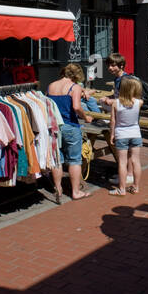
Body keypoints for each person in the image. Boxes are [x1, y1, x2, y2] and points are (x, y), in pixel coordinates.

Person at [46, 64, 92, 200]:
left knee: (57, 159)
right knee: (74, 160)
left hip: (54, 126)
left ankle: (58, 188)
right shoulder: (75, 87)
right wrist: (86, 117)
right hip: (70, 125)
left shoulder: (51, 86)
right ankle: (76, 192)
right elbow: (76, 106)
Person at [107, 77, 144, 196]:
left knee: (122, 162)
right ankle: (136, 187)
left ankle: (122, 189)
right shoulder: (139, 103)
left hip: (121, 134)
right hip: (135, 133)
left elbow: (113, 121)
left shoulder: (116, 103)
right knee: (136, 161)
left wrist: (112, 134)